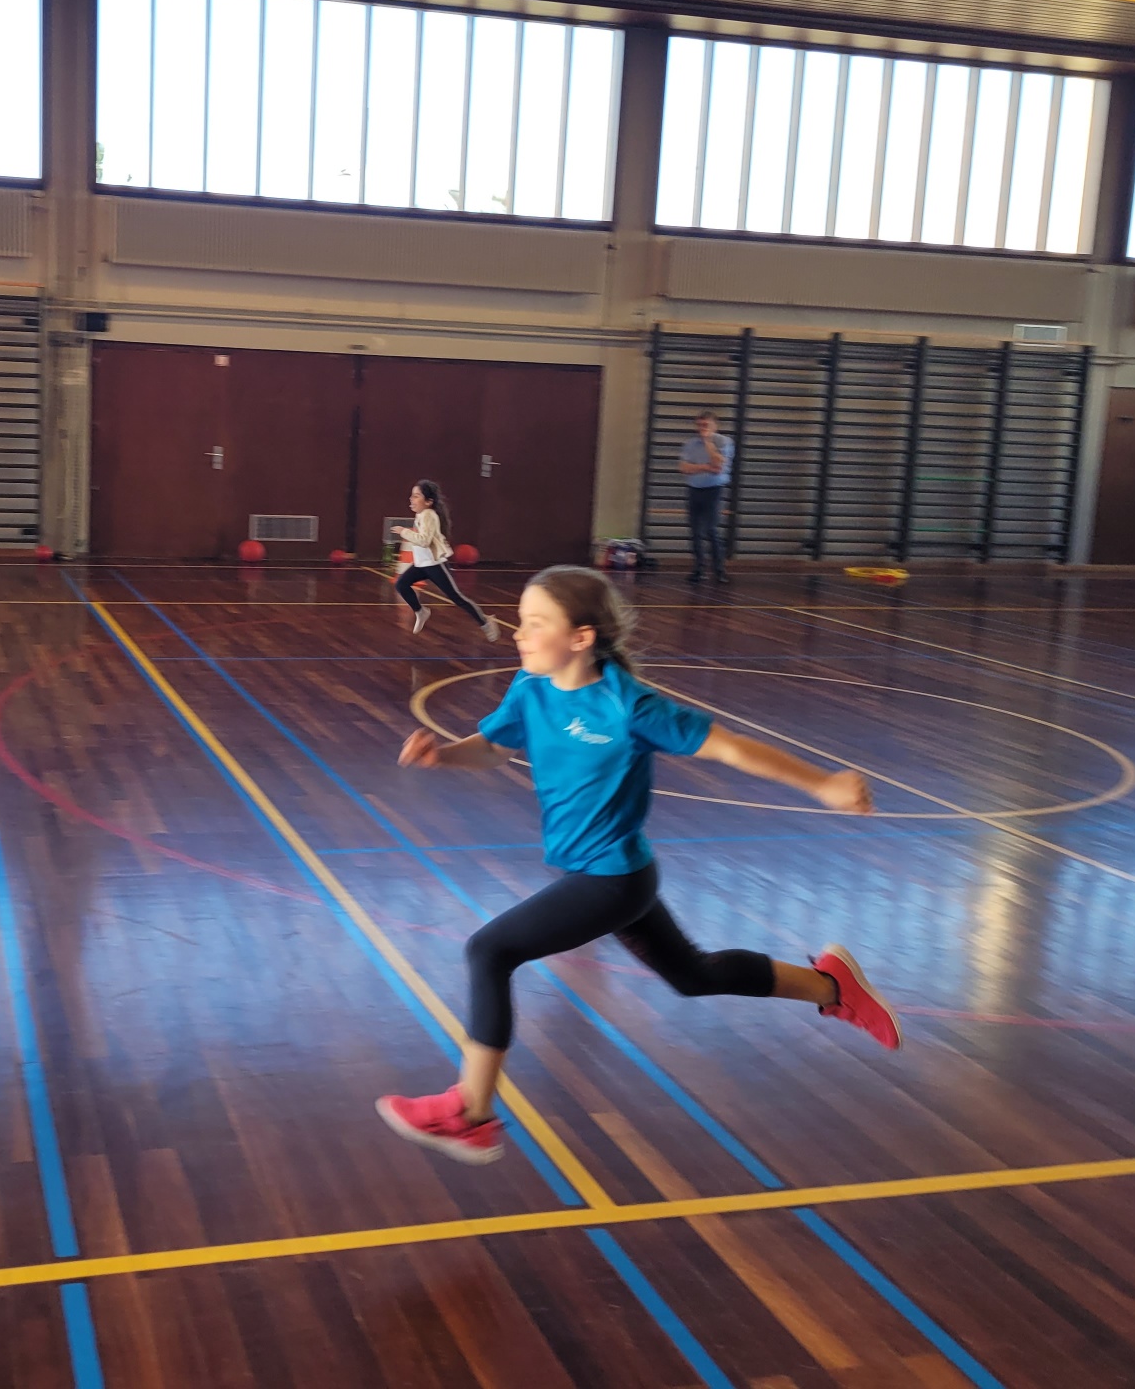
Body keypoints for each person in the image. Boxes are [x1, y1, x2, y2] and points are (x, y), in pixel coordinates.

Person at [376, 565, 900, 1166]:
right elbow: (495, 749)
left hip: (614, 880)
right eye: (521, 621)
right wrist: (443, 756)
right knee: (693, 975)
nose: (519, 633)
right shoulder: (530, 689)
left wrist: (822, 784)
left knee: (489, 951)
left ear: (581, 638)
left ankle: (471, 1112)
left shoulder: (628, 706)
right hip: (601, 872)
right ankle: (832, 985)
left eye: (536, 623)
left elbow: (730, 747)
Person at [393, 480, 499, 642]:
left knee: (456, 597)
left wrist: (403, 532)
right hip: (422, 565)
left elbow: (424, 541)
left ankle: (486, 622)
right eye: (412, 495)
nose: (411, 499)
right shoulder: (421, 514)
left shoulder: (429, 515)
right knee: (401, 584)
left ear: (428, 501)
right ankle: (421, 611)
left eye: (416, 496)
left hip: (435, 564)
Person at [679, 412, 733, 586]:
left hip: (713, 490)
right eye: (699, 425)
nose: (701, 428)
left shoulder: (724, 442)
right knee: (695, 531)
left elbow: (718, 466)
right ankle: (699, 569)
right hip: (694, 489)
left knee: (711, 529)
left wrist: (708, 441)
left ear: (714, 426)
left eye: (705, 425)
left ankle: (719, 570)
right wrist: (705, 467)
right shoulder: (690, 444)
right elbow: (684, 468)